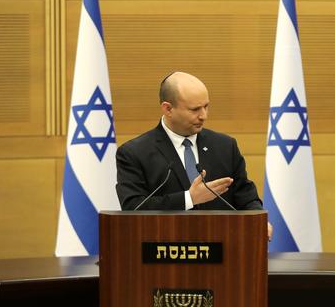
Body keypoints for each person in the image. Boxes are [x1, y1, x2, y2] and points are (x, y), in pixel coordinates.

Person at [116, 71, 272, 238]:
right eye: (195, 109)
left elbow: (246, 198)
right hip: (163, 251)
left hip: (223, 249)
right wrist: (189, 198)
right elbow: (134, 209)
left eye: (206, 106)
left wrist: (258, 219)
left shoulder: (225, 146)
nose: (204, 116)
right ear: (168, 109)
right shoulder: (134, 153)